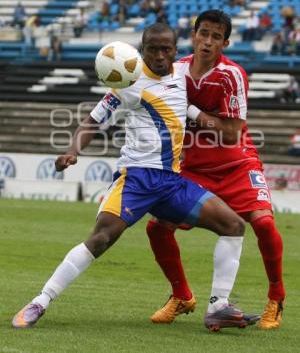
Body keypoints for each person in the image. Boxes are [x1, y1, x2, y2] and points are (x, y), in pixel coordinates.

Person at [12, 23, 254, 330]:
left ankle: (218, 306)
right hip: (136, 179)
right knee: (101, 238)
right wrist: (73, 150)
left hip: (171, 182)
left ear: (175, 51)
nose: (160, 55)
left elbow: (204, 87)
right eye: (153, 49)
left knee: (233, 225)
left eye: (166, 49)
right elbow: (91, 122)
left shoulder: (183, 76)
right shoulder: (128, 82)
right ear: (142, 51)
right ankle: (39, 302)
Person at [146, 11, 285, 330]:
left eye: (215, 37)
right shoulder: (175, 70)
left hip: (237, 163)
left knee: (263, 224)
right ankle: (181, 295)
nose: (208, 41)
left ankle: (276, 297)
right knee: (157, 228)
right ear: (193, 35)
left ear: (226, 42)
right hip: (194, 167)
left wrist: (190, 110)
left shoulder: (232, 75)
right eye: (203, 34)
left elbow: (232, 132)